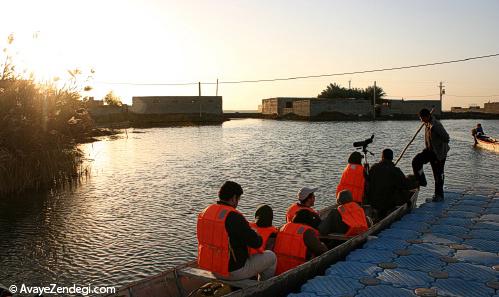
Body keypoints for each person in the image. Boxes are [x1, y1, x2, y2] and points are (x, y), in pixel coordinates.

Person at [197, 181, 276, 281]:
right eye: (238, 199)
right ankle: (263, 287)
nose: (237, 202)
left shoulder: (206, 212)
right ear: (234, 198)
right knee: (271, 256)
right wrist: (257, 235)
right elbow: (256, 243)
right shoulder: (234, 217)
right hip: (232, 272)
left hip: (211, 268)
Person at [273, 209, 328, 275]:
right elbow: (322, 250)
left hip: (278, 269)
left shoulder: (283, 227)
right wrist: (323, 245)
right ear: (307, 221)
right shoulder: (306, 231)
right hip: (298, 270)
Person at [412, 108, 450, 202]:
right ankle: (422, 181)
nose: (421, 120)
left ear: (427, 116)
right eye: (420, 118)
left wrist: (438, 145)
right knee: (416, 161)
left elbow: (446, 138)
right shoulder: (427, 123)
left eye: (422, 118)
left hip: (438, 153)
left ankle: (439, 196)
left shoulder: (435, 125)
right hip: (430, 150)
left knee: (438, 174)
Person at [366, 149, 412, 219]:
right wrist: (408, 202)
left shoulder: (373, 168)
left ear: (382, 157)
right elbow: (404, 186)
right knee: (399, 187)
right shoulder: (395, 170)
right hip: (387, 204)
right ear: (392, 158)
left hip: (373, 202)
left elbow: (367, 182)